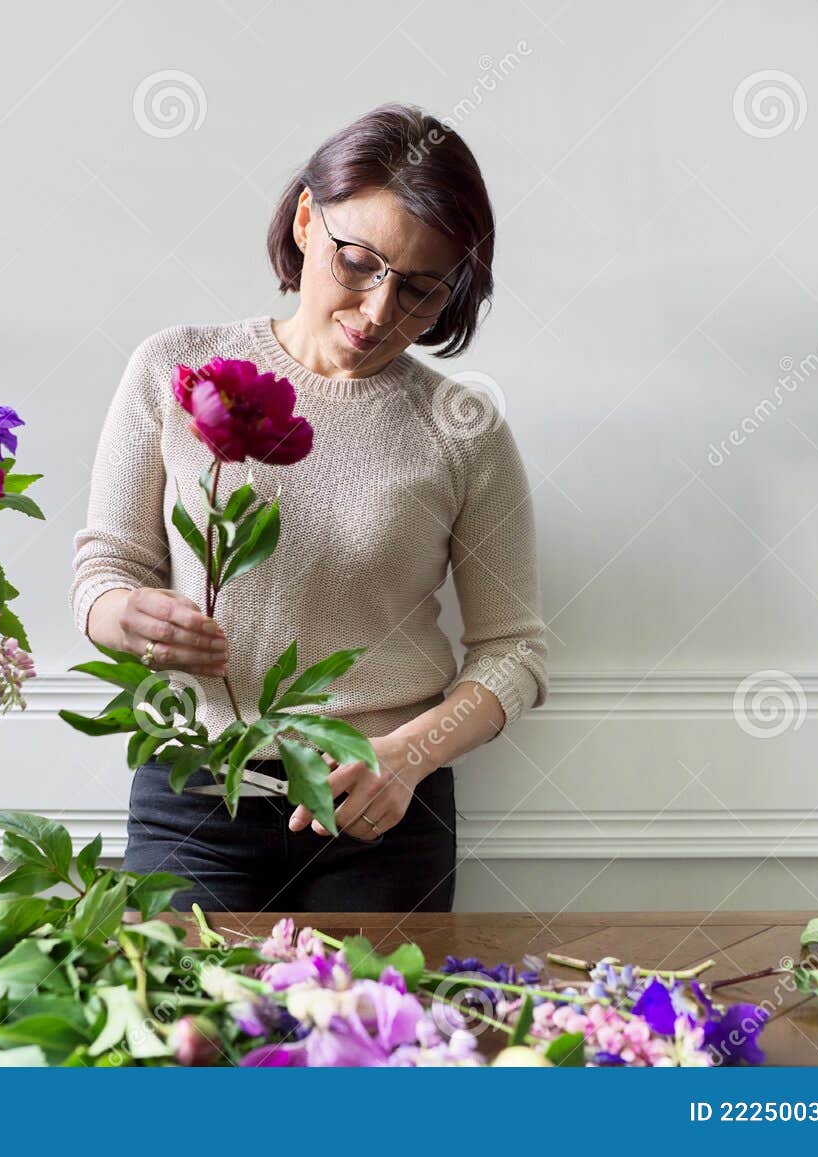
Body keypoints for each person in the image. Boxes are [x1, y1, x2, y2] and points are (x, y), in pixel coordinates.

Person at [68, 102, 548, 913]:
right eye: (358, 262)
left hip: (383, 814)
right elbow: (103, 573)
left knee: (373, 1042)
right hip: (195, 793)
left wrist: (408, 755)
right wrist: (127, 617)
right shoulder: (174, 369)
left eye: (423, 290)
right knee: (178, 1034)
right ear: (304, 221)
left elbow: (515, 652)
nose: (378, 313)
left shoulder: (464, 428)